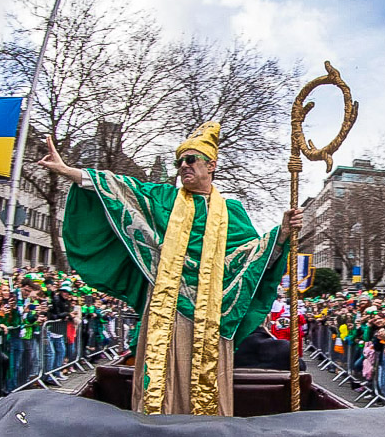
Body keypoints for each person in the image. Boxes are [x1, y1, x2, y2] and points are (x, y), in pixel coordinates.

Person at [43, 123, 300, 416]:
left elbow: (250, 257)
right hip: (165, 314)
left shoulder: (231, 211)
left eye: (190, 160)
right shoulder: (163, 199)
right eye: (179, 162)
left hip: (211, 320)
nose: (183, 166)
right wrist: (67, 171)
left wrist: (282, 232)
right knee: (160, 383)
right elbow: (117, 188)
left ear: (211, 165)